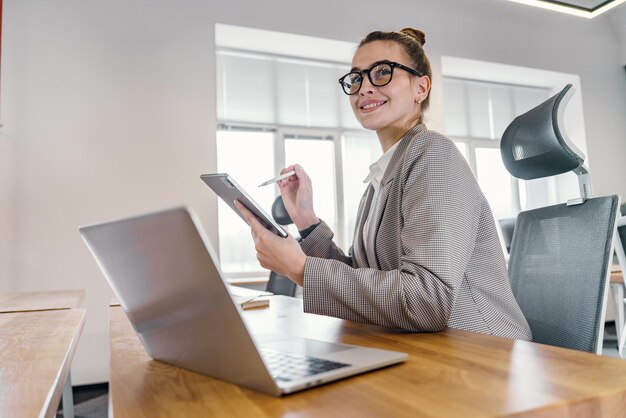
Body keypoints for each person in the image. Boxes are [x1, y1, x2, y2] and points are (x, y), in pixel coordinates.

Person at [234, 28, 531, 340]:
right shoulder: (382, 176)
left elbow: (426, 300)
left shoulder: (434, 154)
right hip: (427, 351)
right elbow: (363, 275)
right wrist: (306, 220)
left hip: (484, 354)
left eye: (382, 73)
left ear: (421, 87)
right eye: (356, 79)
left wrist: (300, 269)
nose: (364, 88)